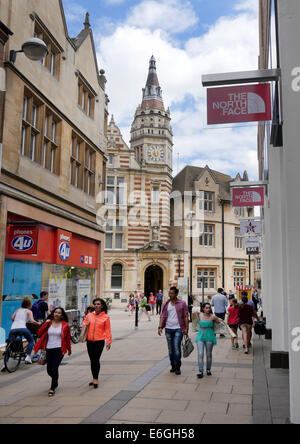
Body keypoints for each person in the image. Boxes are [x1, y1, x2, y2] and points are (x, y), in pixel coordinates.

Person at [34, 307, 71, 396]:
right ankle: (55, 380)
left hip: (59, 349)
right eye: (55, 312)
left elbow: (67, 338)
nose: (56, 314)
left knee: (54, 368)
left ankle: (52, 387)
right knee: (49, 370)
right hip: (48, 349)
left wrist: (69, 349)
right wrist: (45, 324)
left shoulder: (65, 325)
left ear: (62, 315)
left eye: (59, 313)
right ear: (53, 313)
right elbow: (39, 333)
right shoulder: (48, 323)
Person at [158, 286, 189, 375]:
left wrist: (187, 328)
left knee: (176, 347)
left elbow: (186, 316)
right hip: (168, 329)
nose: (170, 295)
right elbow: (162, 316)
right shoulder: (166, 304)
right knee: (170, 349)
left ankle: (178, 366)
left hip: (178, 328)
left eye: (172, 293)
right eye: (169, 293)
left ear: (176, 294)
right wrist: (160, 327)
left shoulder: (182, 303)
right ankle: (173, 365)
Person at [82, 298, 112, 388]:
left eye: (98, 304)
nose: (96, 305)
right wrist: (86, 323)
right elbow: (84, 324)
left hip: (99, 341)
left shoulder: (106, 317)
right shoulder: (89, 315)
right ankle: (94, 377)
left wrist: (108, 341)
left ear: (102, 306)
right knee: (92, 360)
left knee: (96, 359)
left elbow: (107, 330)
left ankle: (96, 378)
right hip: (90, 341)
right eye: (95, 304)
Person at [8, 297, 41, 364]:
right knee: (31, 341)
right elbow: (32, 321)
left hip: (13, 329)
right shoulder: (29, 311)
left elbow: (12, 318)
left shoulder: (18, 310)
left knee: (9, 344)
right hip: (23, 328)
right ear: (29, 305)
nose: (32, 305)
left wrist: (16, 322)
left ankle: (5, 363)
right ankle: (28, 357)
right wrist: (38, 323)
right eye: (31, 303)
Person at [195, 302, 221, 379]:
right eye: (206, 308)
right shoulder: (200, 315)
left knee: (208, 354)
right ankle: (200, 370)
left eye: (209, 307)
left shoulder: (213, 316)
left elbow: (220, 322)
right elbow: (193, 317)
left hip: (209, 336)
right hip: (200, 335)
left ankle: (208, 369)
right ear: (203, 308)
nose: (208, 309)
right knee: (200, 353)